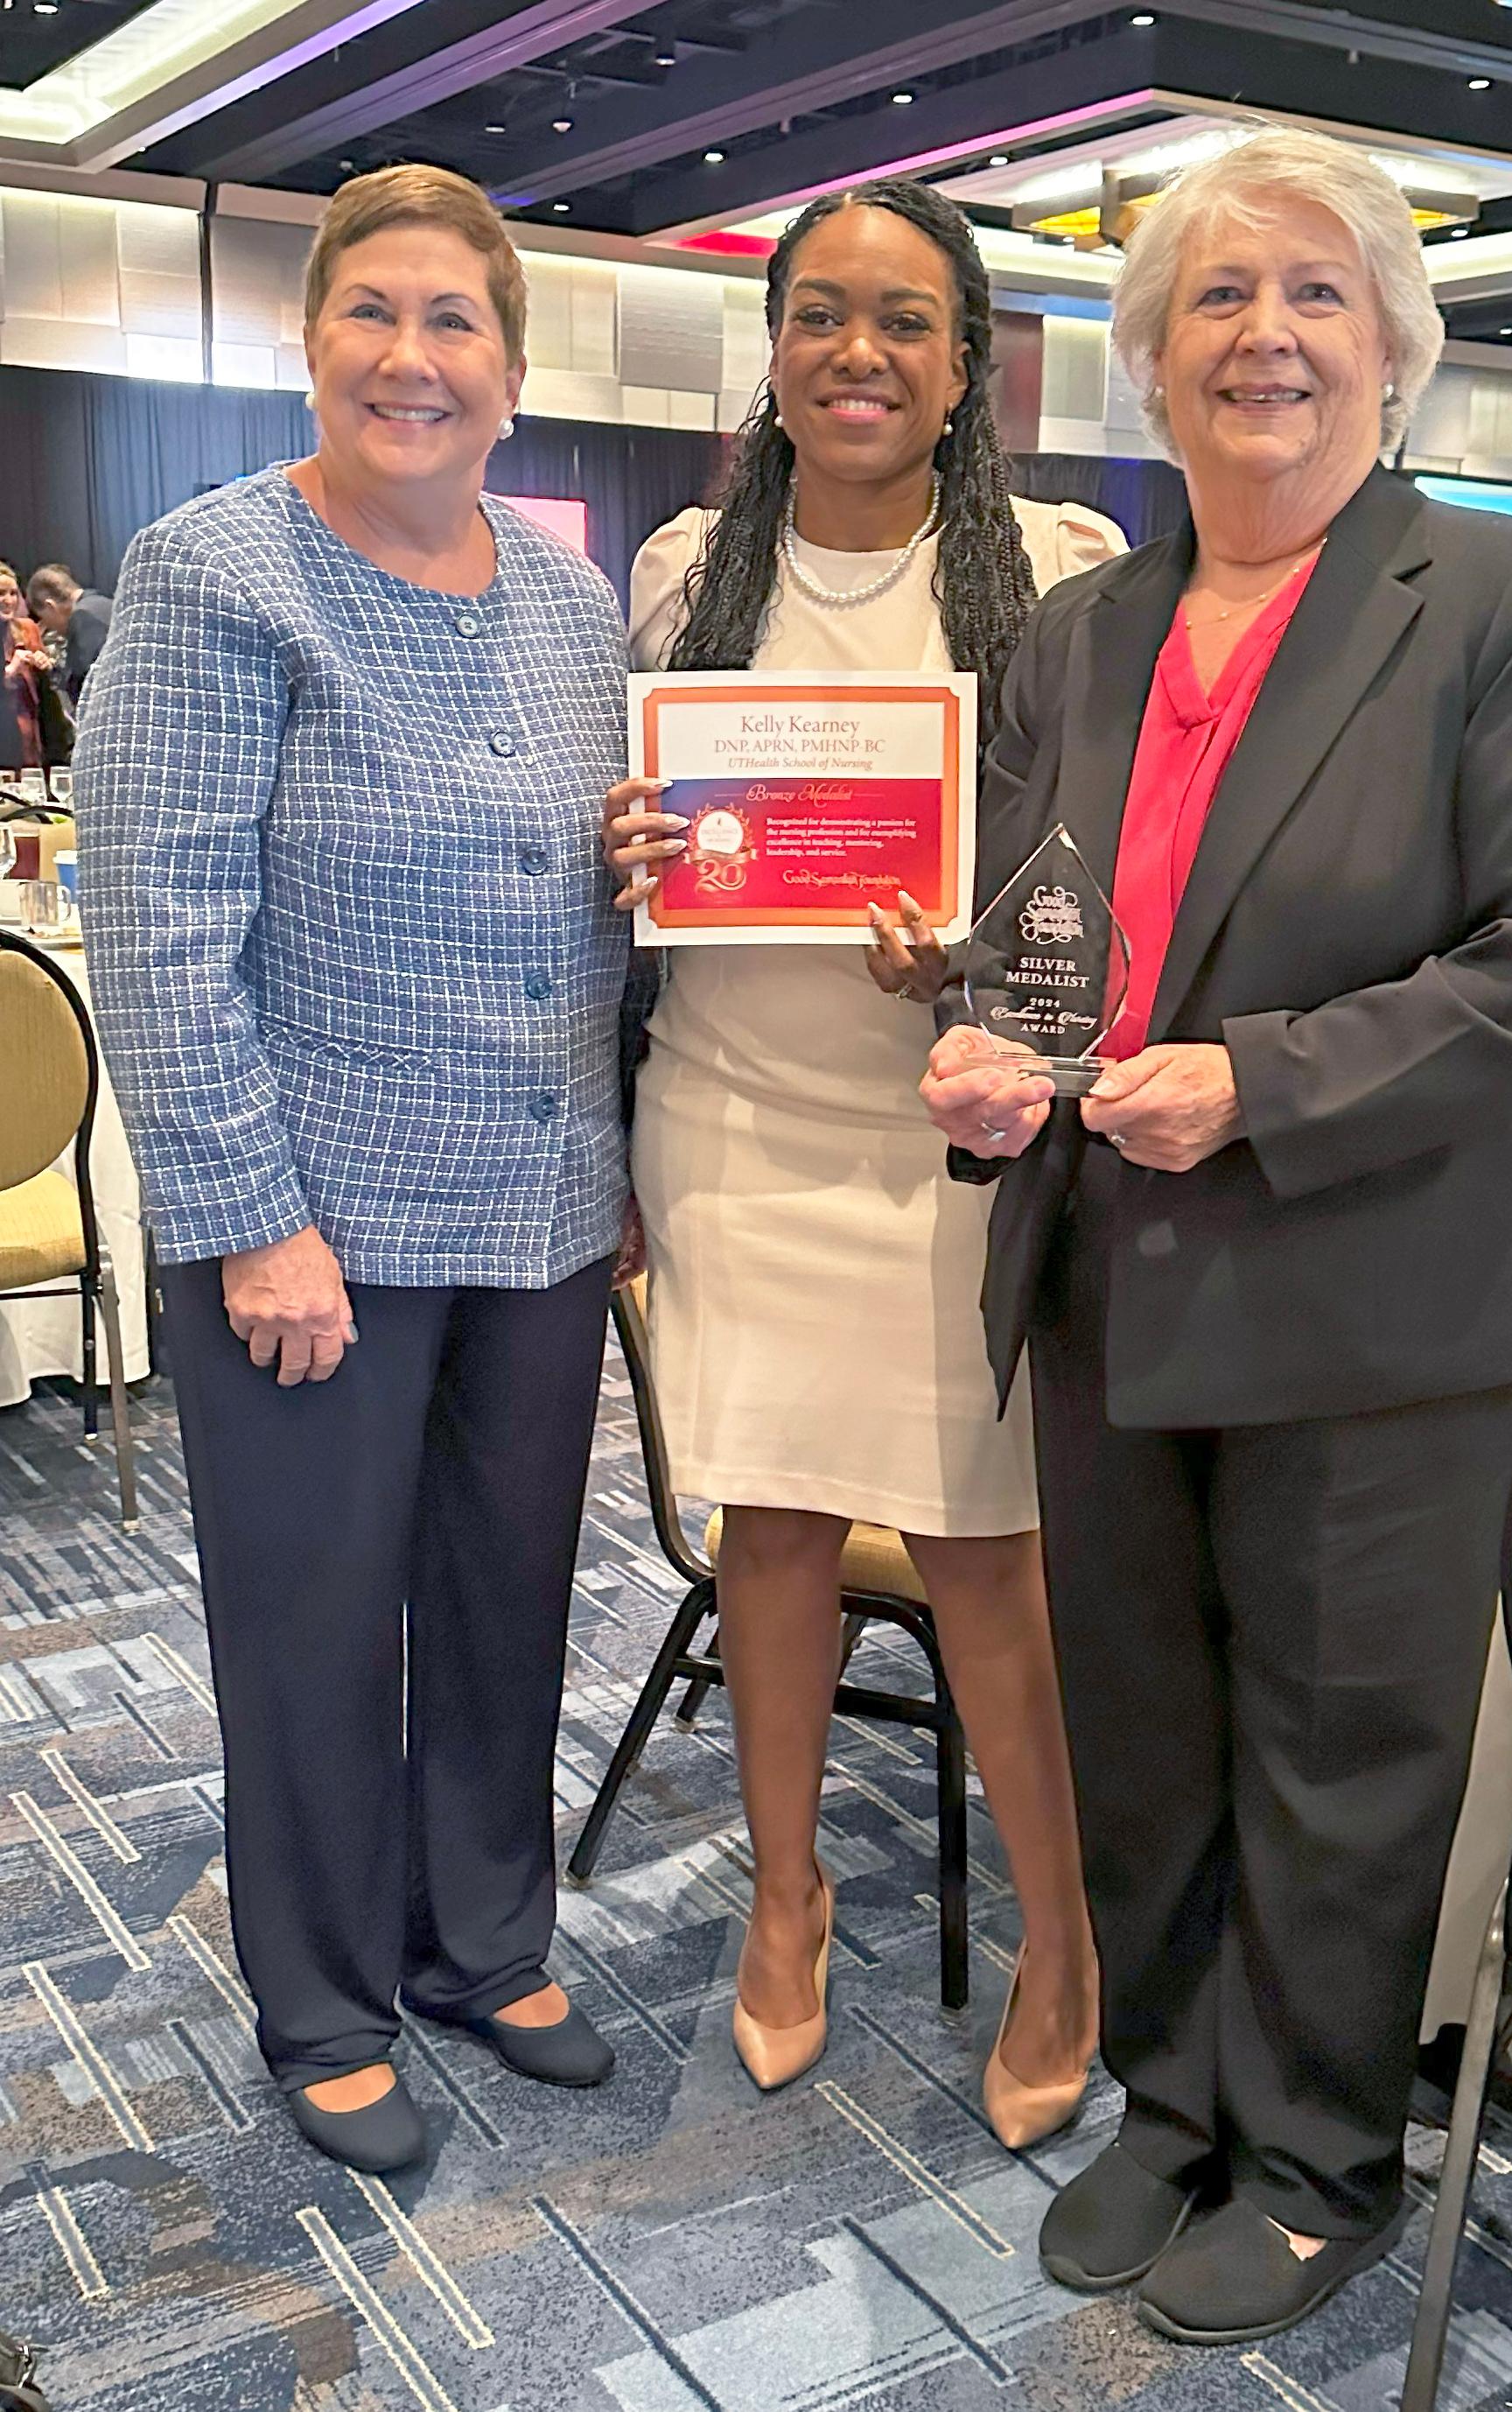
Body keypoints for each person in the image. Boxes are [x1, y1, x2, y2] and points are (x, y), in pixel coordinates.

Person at [921, 126, 1512, 2344]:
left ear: (1390, 352)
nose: (1264, 335)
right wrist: (973, 1041)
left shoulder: (1498, 596)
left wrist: (1263, 1077)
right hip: (1103, 1275)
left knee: (1338, 1741)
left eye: (1315, 294)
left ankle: (1321, 2140)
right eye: (1215, 299)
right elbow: (1042, 942)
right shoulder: (1082, 623)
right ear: (1146, 362)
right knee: (1142, 1721)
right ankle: (1173, 2093)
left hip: (1374, 1285)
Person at [77, 165, 632, 2175]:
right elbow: (155, 918)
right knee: (313, 1617)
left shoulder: (571, 600)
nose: (413, 357)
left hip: (547, 1204)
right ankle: (319, 1993)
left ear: (508, 362)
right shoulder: (219, 574)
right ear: (309, 344)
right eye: (373, 315)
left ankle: (479, 1931)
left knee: (504, 1597)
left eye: (454, 321)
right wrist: (248, 1218)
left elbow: (574, 881)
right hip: (317, 1222)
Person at [606, 178, 1124, 2141]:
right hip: (731, 1115)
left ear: (967, 360)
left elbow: (1092, 886)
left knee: (992, 1547)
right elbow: (635, 839)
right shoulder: (680, 575)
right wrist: (626, 851)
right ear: (773, 344)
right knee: (774, 1531)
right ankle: (787, 1901)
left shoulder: (1059, 573)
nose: (858, 355)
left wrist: (976, 959)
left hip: (947, 1142)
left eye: (904, 322)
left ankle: (1057, 1942)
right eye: (822, 315)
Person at [26, 564, 112, 705]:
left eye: (44, 618)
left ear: (50, 606)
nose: (48, 626)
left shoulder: (82, 617)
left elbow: (83, 686)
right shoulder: (103, 601)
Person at [0, 564, 49, 771]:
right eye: (1, 594)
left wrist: (43, 663)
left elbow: (45, 685)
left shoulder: (27, 628)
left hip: (30, 729)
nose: (8, 600)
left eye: (13, 593)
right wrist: (12, 669)